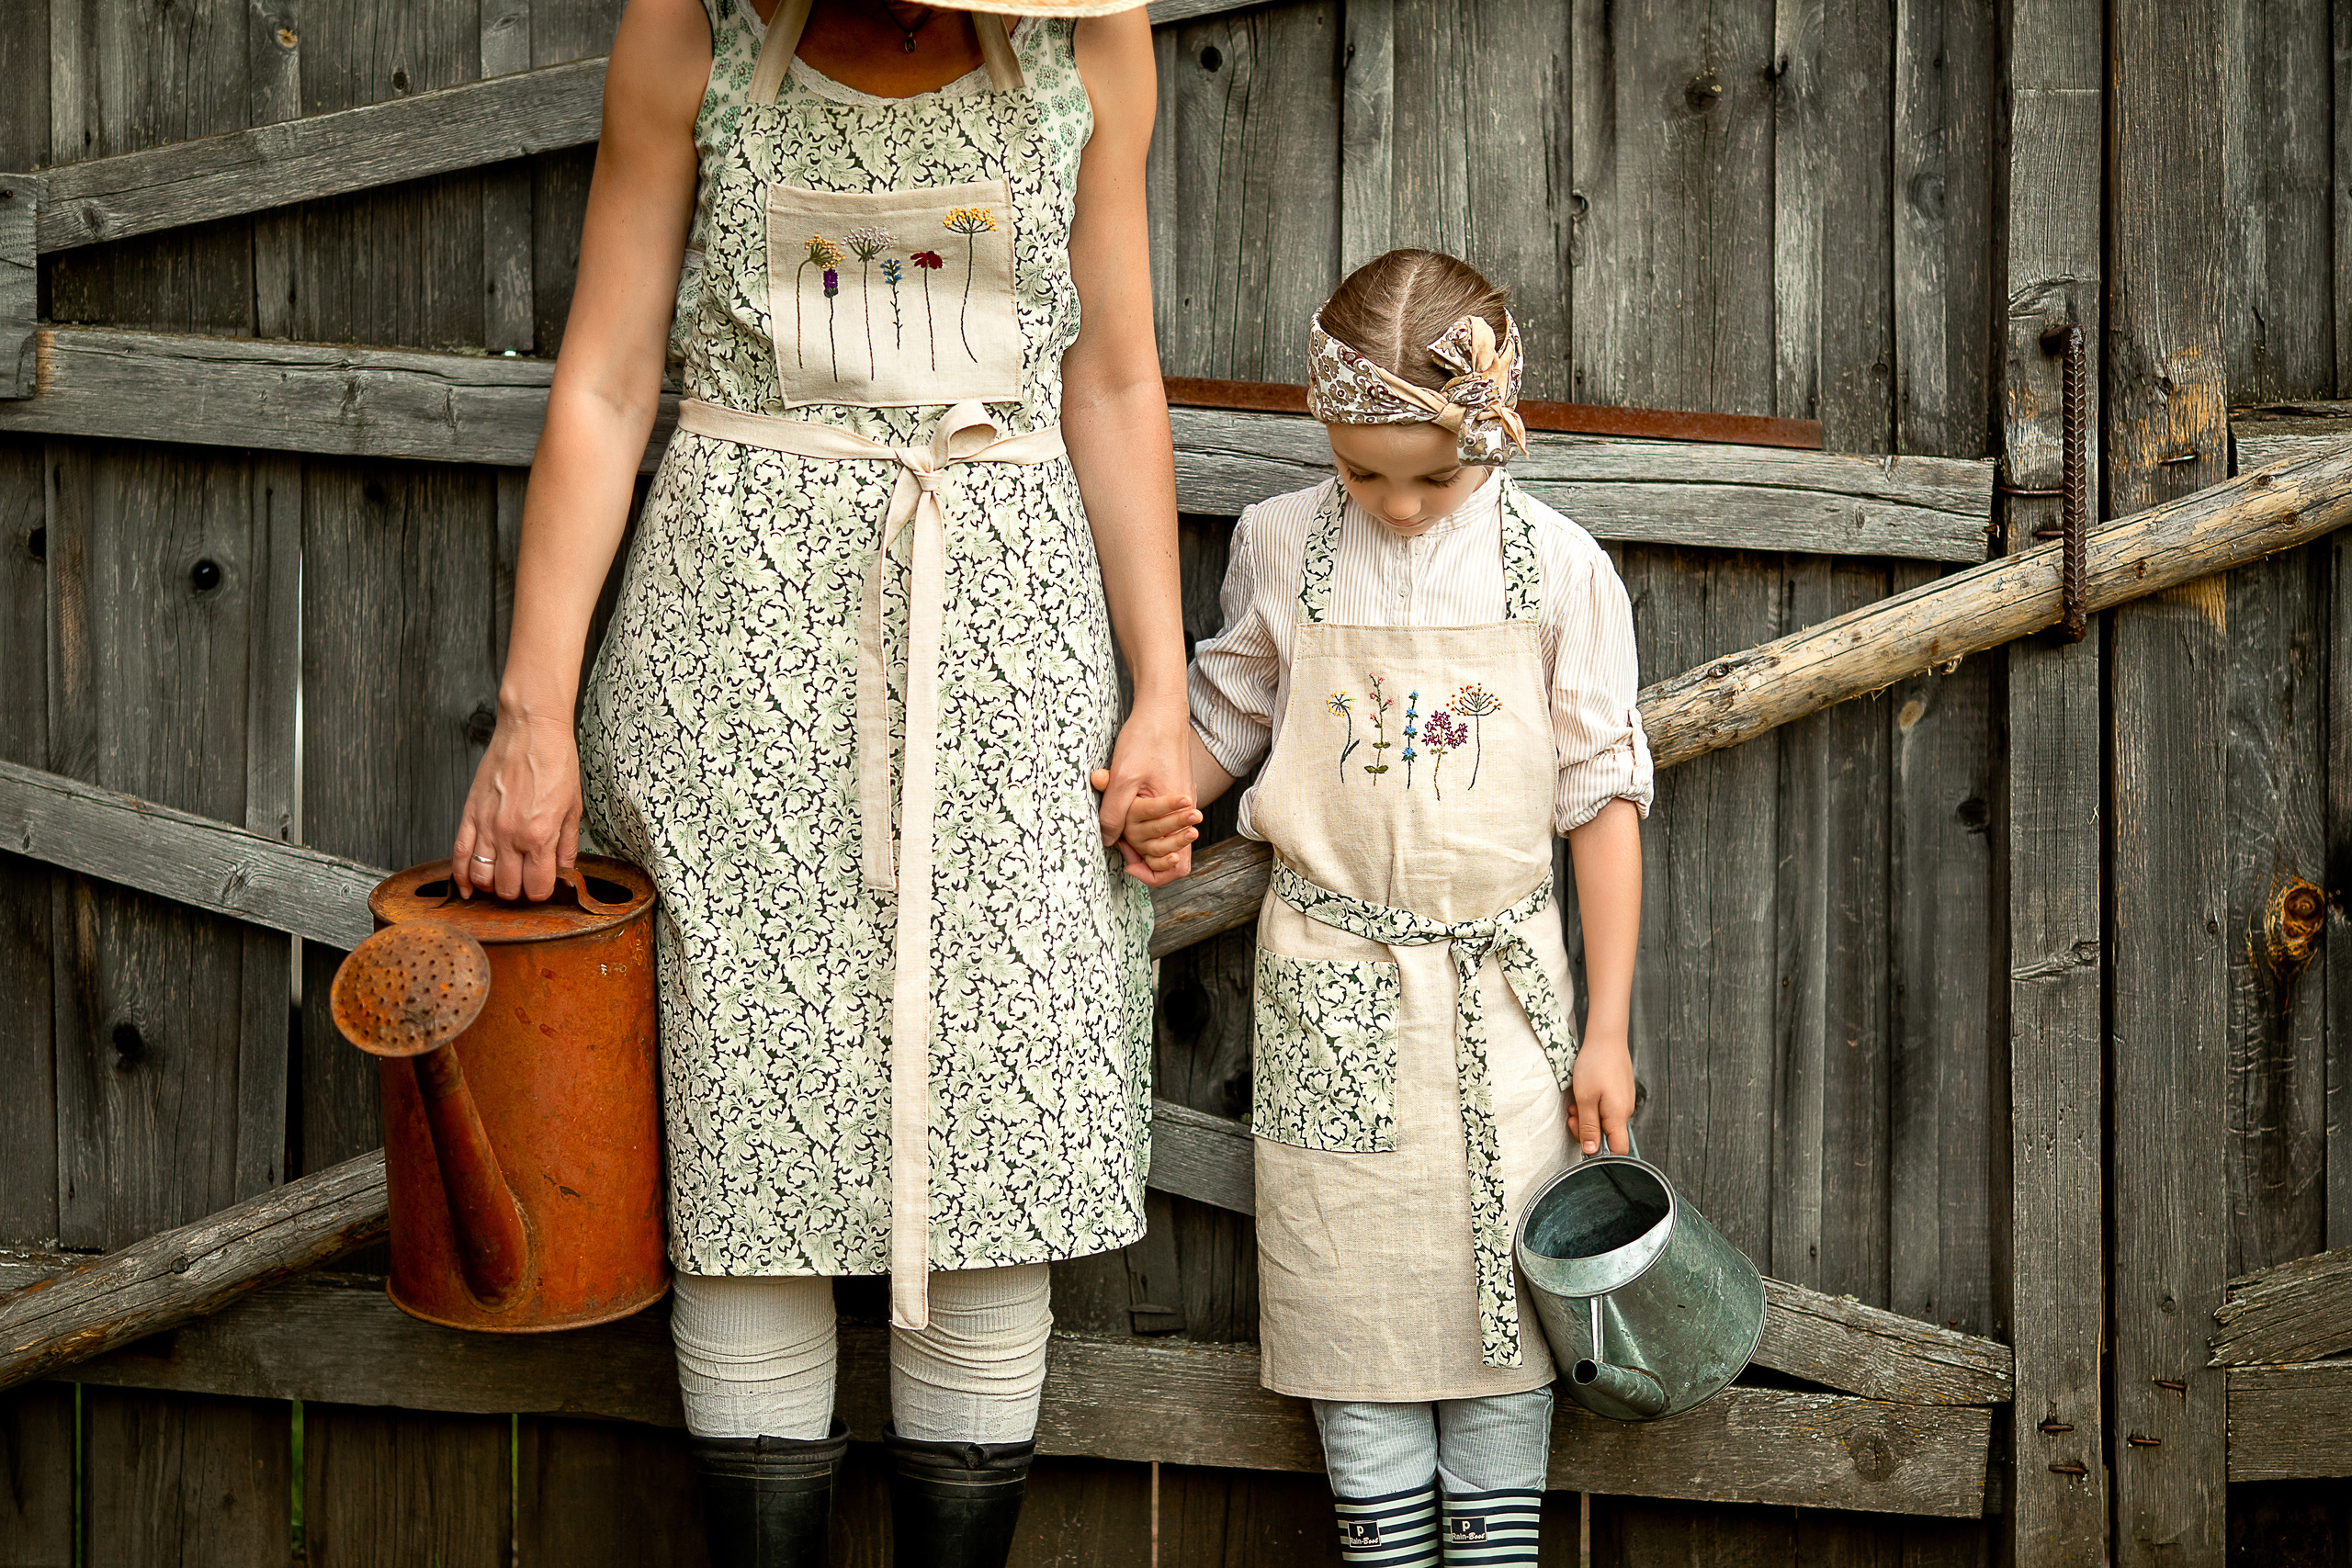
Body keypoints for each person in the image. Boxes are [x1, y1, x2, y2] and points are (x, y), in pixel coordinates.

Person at [447, 0, 1189, 1562]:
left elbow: (1112, 380)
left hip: (1013, 665)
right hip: (735, 670)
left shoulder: (1087, 43)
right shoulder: (693, 31)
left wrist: (1164, 693)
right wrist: (536, 713)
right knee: (748, 1136)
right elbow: (603, 379)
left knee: (1006, 1127)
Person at [1114, 249, 1649, 1567]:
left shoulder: (1558, 569)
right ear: (1324, 440)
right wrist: (1154, 794)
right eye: (1365, 475)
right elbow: (1224, 724)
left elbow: (1603, 801)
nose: (1399, 509)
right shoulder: (1283, 546)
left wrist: (1609, 1032)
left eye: (1433, 475)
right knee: (1348, 1309)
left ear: (1492, 429)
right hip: (1330, 988)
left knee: (1514, 1320)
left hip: (1506, 1016)